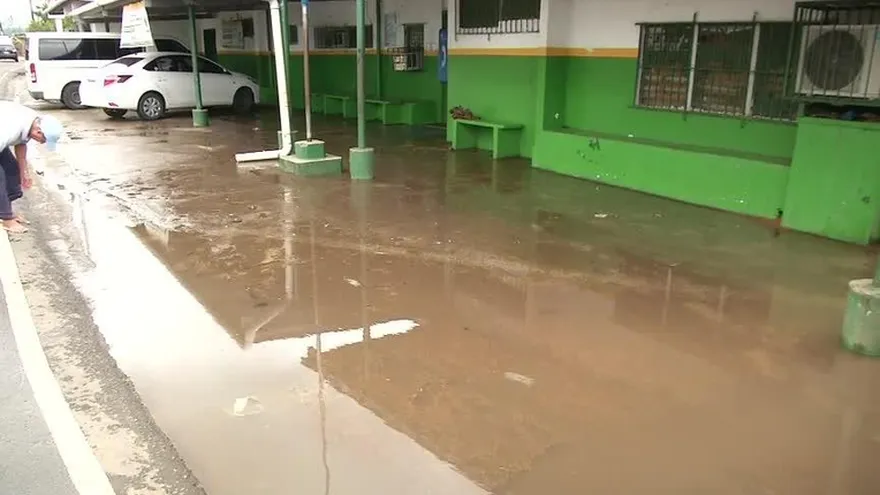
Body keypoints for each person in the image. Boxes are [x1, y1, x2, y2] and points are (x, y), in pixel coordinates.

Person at [0, 101, 63, 233]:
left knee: (12, 169)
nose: (42, 142)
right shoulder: (10, 129)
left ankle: (6, 212)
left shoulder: (32, 122)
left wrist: (24, 172)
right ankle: (6, 220)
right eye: (43, 140)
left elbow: (21, 143)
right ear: (39, 132)